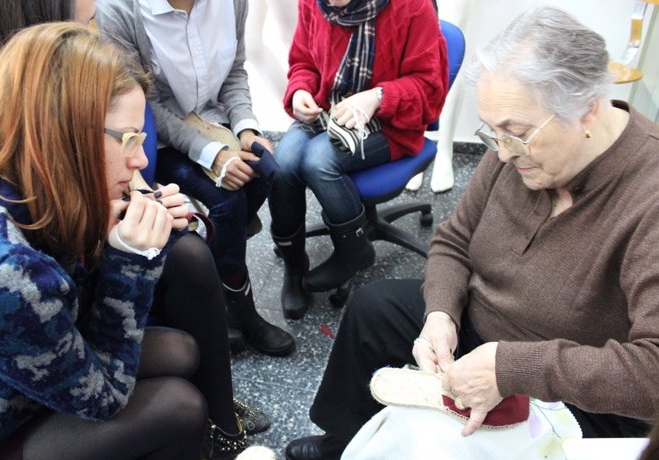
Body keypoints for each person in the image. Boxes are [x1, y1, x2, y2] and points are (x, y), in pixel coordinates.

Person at [284, 6, 659, 459]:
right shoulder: (513, 151)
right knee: (374, 308)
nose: (500, 153)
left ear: (587, 110)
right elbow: (454, 240)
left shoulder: (648, 196)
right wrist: (440, 314)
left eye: (516, 133)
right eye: (493, 132)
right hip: (484, 332)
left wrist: (513, 369)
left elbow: (651, 370)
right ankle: (340, 443)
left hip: (573, 385)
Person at [0, 1, 273, 457]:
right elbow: (103, 396)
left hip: (32, 353)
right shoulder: (7, 275)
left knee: (182, 350)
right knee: (179, 405)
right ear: (66, 134)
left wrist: (112, 223)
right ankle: (208, 435)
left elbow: (61, 285)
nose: (142, 162)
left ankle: (221, 428)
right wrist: (130, 259)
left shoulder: (26, 160)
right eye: (128, 140)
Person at [95, 0, 296, 357]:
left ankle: (222, 261)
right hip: (154, 133)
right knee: (227, 201)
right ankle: (239, 311)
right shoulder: (121, 10)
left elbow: (234, 72)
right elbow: (142, 105)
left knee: (266, 171)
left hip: (211, 120)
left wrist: (247, 128)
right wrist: (212, 155)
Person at [267, 0, 448, 320]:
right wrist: (299, 92)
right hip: (329, 111)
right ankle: (294, 269)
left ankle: (354, 250)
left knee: (317, 161)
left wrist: (378, 96)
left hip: (392, 122)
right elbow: (303, 63)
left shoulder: (413, 7)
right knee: (281, 165)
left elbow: (429, 88)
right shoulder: (313, 4)